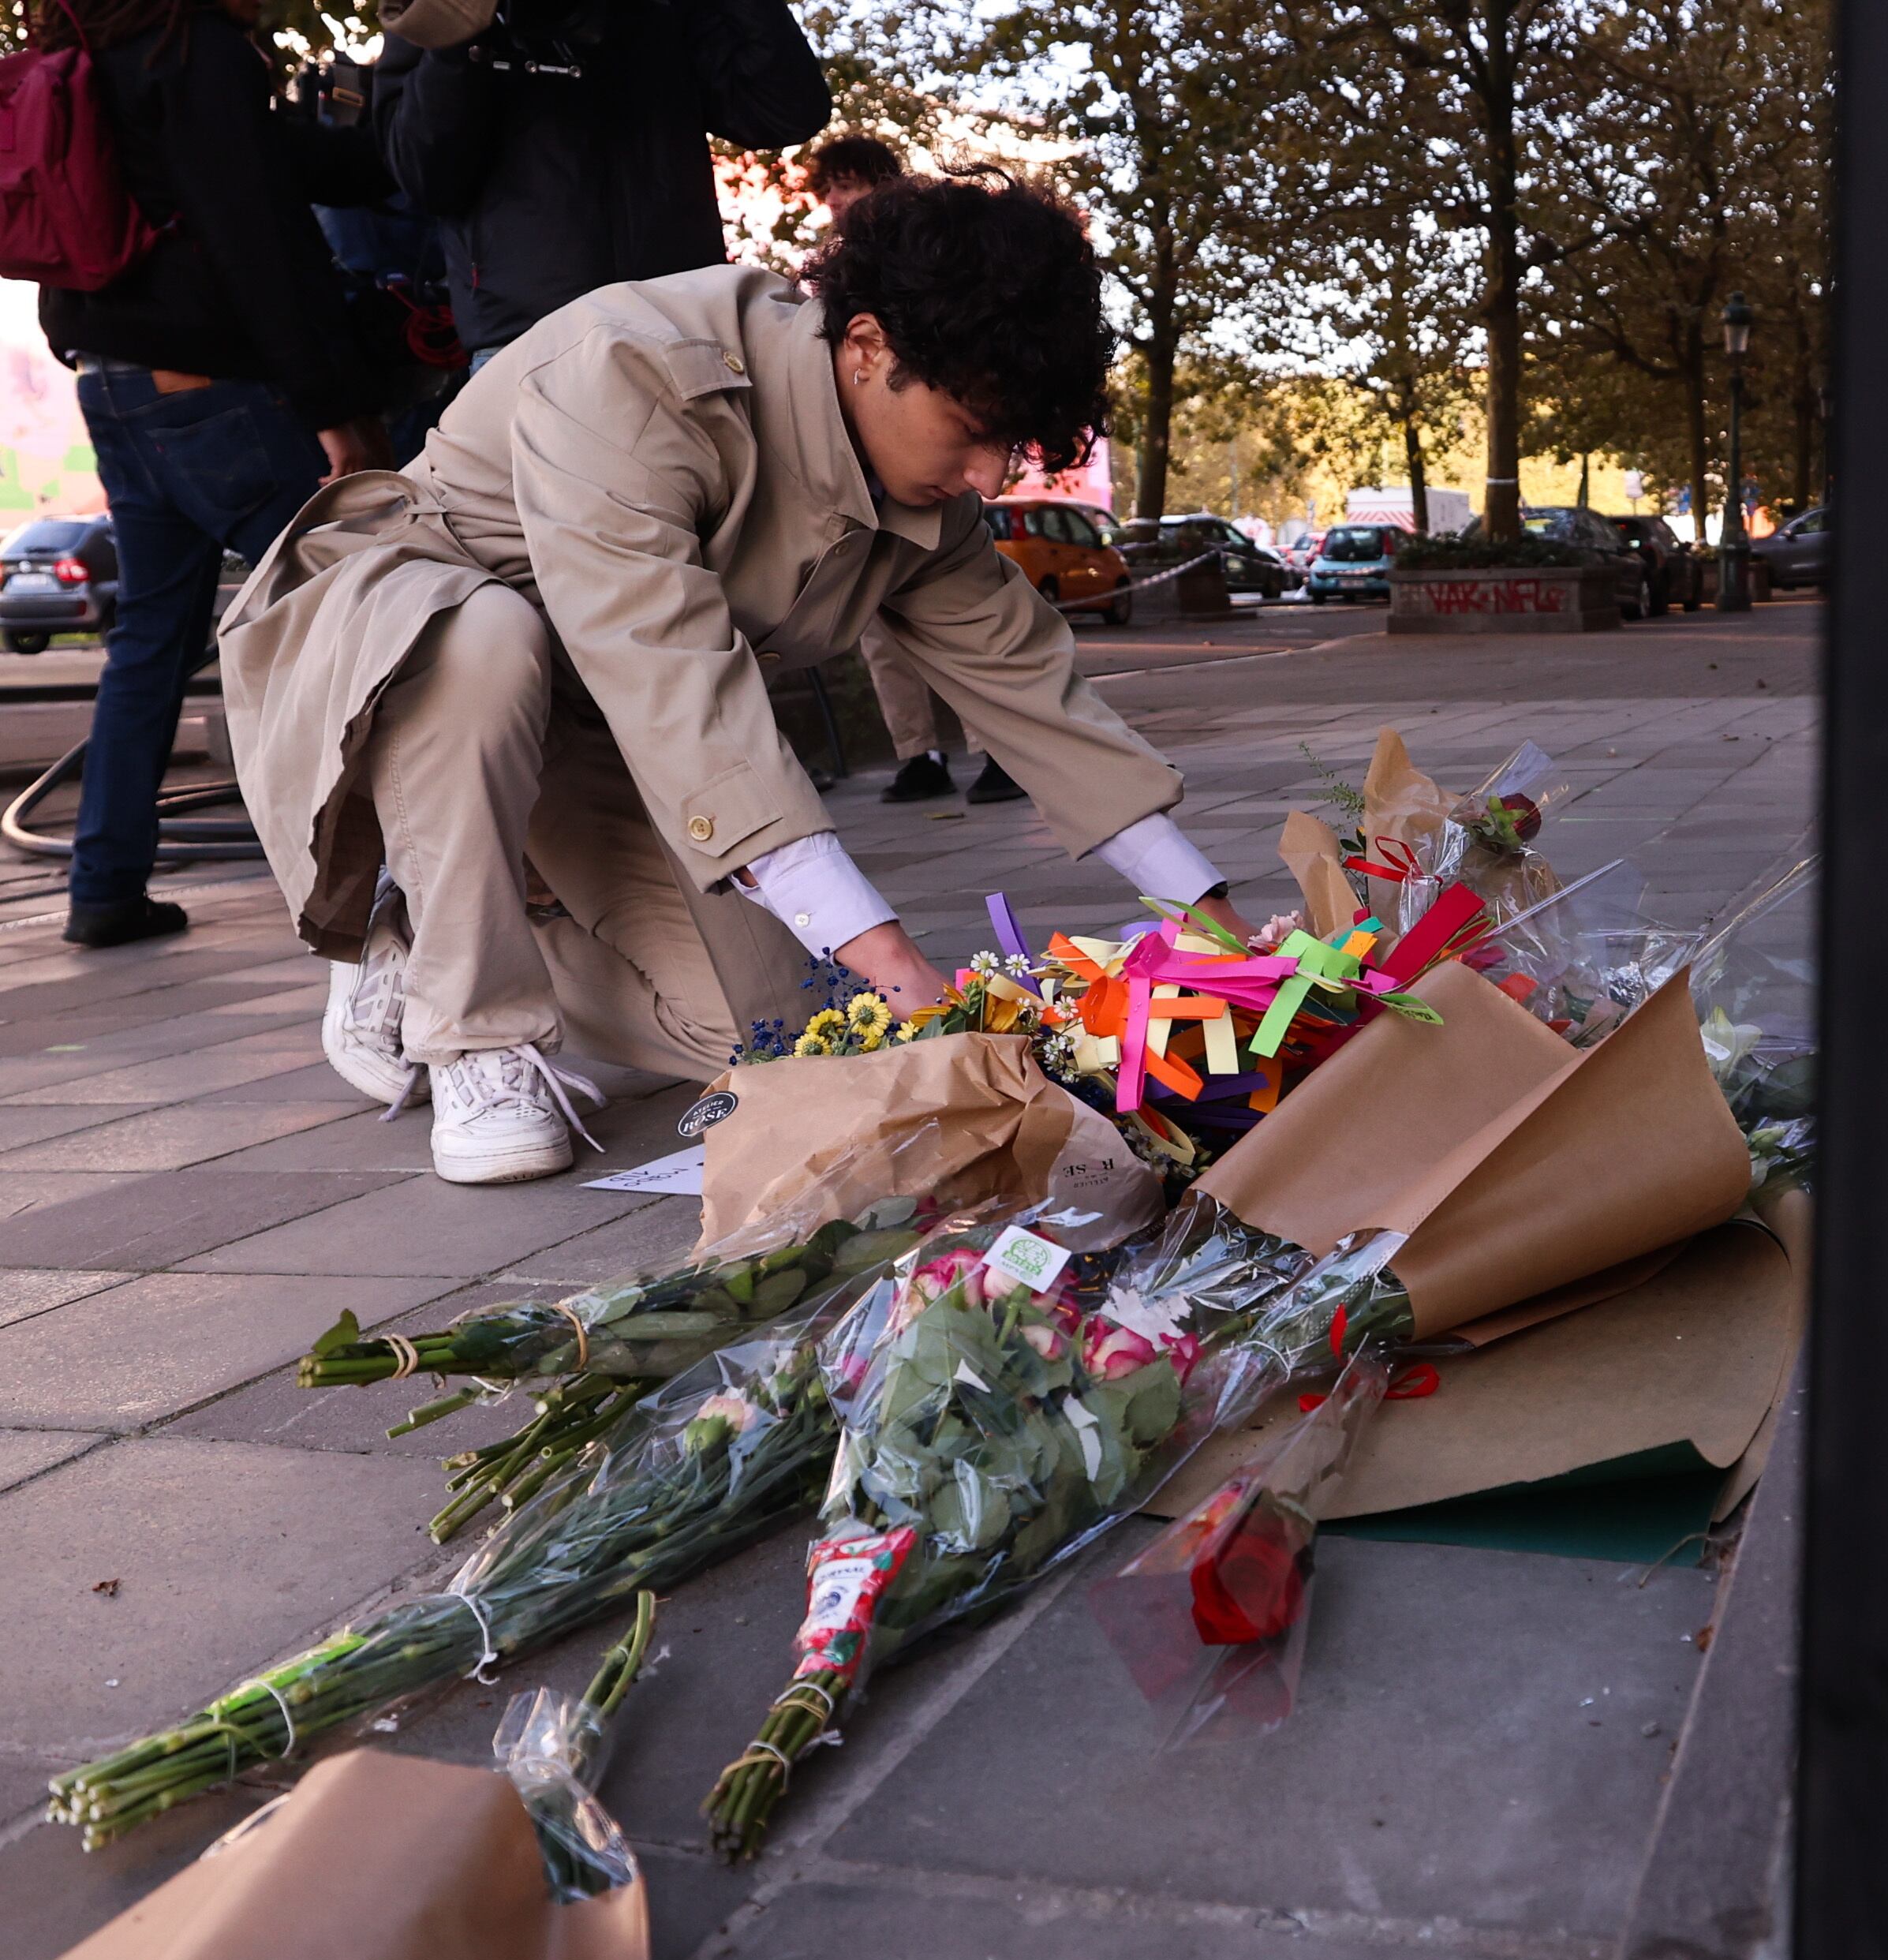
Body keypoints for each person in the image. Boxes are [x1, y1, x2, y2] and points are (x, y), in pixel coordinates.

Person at [221, 175, 1245, 1186]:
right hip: (418, 648)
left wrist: (1225, 938)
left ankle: (440, 932)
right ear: (867, 346)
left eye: (1008, 443)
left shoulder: (918, 487)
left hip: (603, 717)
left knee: (778, 1028)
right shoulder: (634, 373)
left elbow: (1035, 694)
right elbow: (681, 689)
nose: (986, 477)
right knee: (491, 640)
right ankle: (466, 1026)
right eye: (973, 428)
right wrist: (905, 978)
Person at [37, 0, 394, 948]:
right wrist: (332, 405)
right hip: (208, 390)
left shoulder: (80, 47)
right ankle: (411, 873)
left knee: (150, 642)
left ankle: (105, 884)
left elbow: (258, 167)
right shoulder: (190, 47)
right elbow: (258, 233)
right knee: (366, 602)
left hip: (109, 383)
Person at [370, 0, 828, 366]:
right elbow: (424, 174)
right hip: (528, 345)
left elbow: (783, 111)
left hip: (688, 336)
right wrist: (463, 31)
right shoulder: (431, 13)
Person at [809, 133, 1026, 812]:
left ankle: (994, 750)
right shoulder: (826, 269)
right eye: (830, 189)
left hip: (912, 477)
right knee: (877, 630)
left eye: (849, 183)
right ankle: (918, 753)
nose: (838, 199)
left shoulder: (926, 259)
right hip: (855, 484)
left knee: (960, 615)